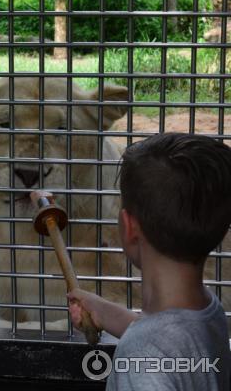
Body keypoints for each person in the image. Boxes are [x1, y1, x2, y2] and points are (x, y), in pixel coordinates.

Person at [67, 132, 231, 390]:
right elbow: (171, 343)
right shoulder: (211, 311)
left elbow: (153, 349)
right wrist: (105, 312)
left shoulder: (140, 362)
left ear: (128, 226)